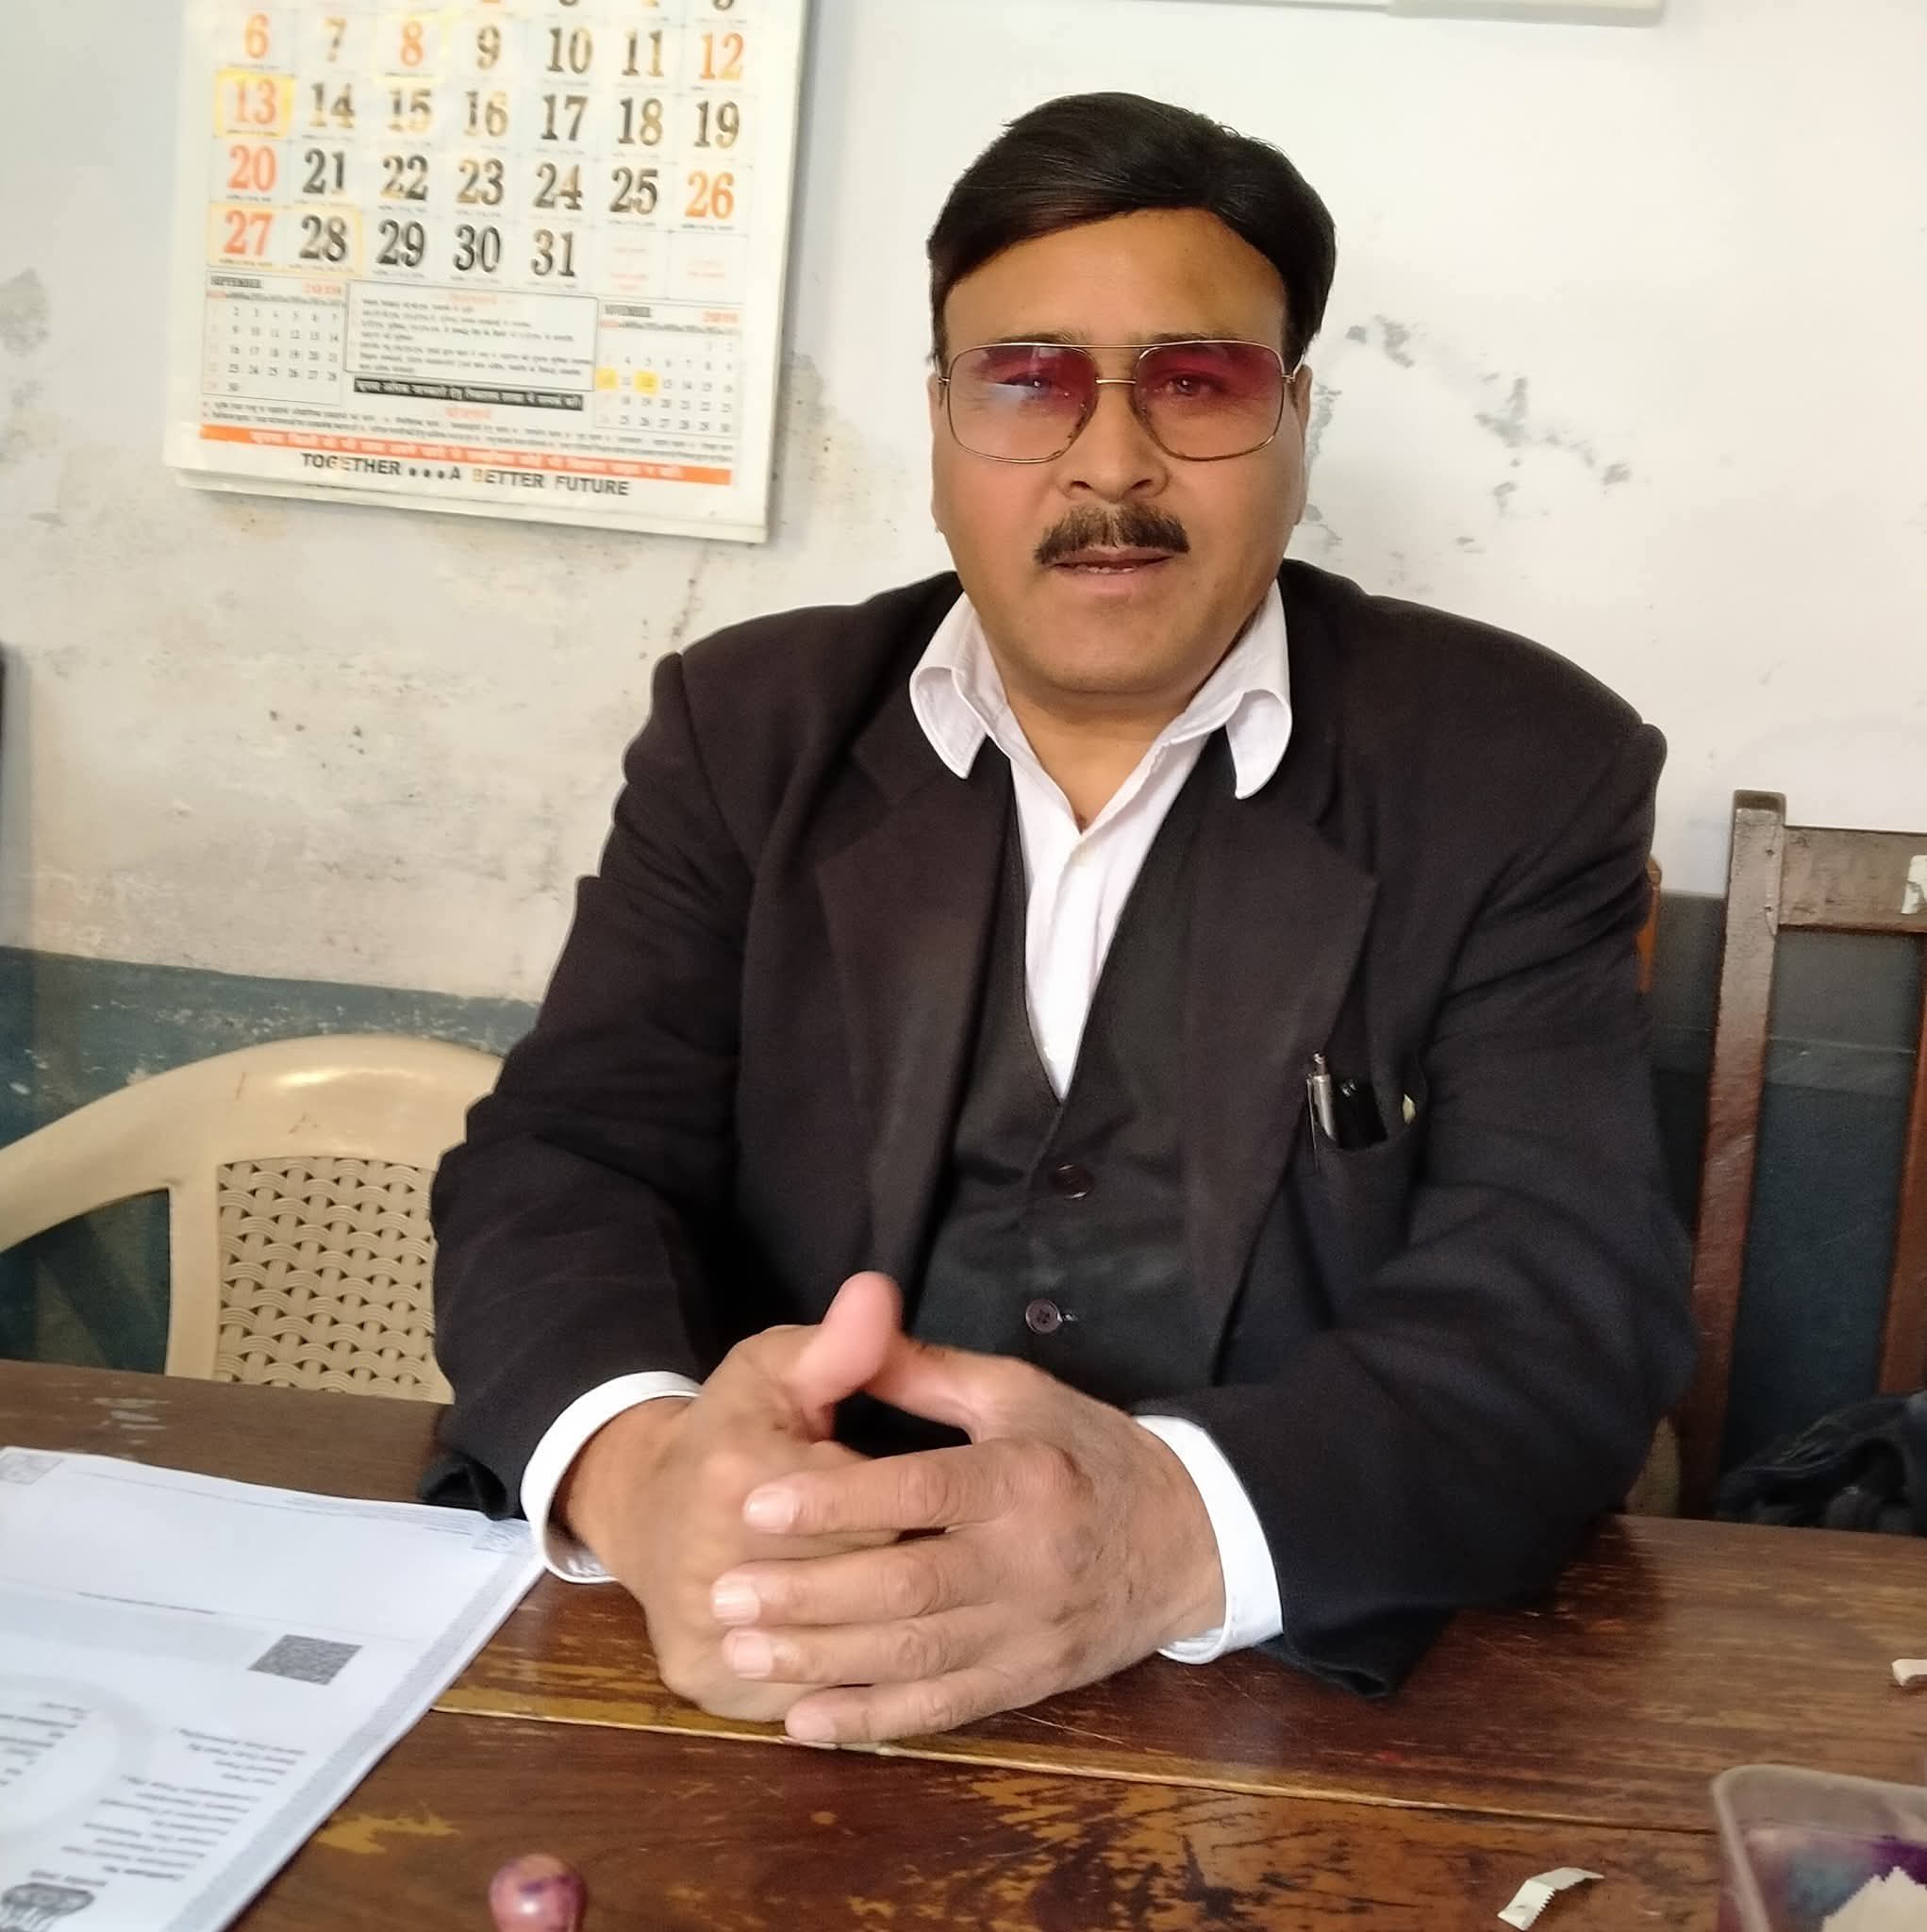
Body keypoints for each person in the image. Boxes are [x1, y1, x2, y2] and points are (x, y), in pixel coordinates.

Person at [424, 92, 1695, 1746]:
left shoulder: (1518, 769)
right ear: (941, 429)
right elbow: (564, 1162)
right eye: (1026, 381)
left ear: (1296, 419)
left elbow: (1564, 1303)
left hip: (1270, 1702)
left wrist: (1162, 1536)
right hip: (769, 1667)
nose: (1110, 461)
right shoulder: (749, 732)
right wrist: (645, 1471)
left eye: (1197, 382)